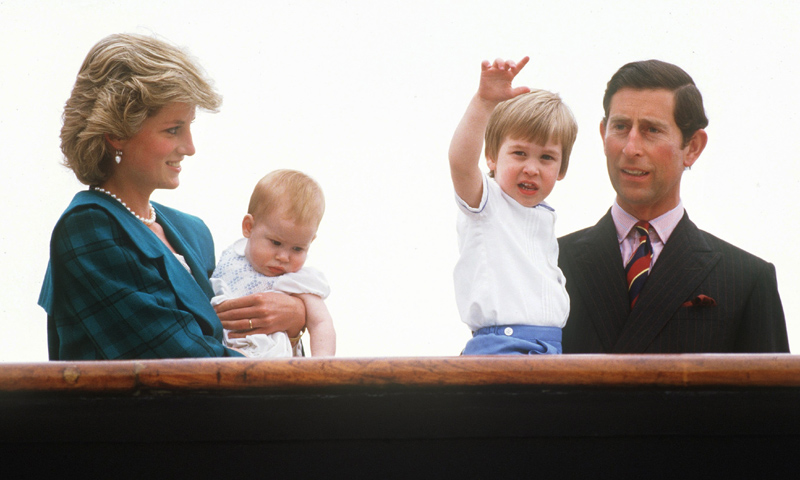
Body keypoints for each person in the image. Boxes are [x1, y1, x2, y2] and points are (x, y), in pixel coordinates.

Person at [38, 33, 305, 360]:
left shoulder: (193, 232)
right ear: (116, 134)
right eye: (173, 129)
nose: (190, 148)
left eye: (189, 127)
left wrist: (295, 318)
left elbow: (235, 343)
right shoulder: (87, 228)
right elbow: (181, 362)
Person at [558, 59, 790, 353]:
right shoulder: (549, 264)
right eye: (620, 126)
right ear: (603, 134)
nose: (631, 148)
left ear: (692, 147)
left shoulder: (746, 280)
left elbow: (772, 399)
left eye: (651, 130)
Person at [448, 57, 578, 355]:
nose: (532, 168)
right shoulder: (486, 203)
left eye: (546, 158)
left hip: (549, 349)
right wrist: (483, 102)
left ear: (561, 168)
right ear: (491, 157)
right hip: (502, 347)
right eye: (520, 153)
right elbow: (460, 162)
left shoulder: (543, 218)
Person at [210, 169, 335, 357]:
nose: (284, 257)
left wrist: (323, 366)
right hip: (217, 350)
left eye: (297, 249)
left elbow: (321, 323)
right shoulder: (231, 258)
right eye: (276, 243)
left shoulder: (299, 280)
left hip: (272, 360)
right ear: (249, 227)